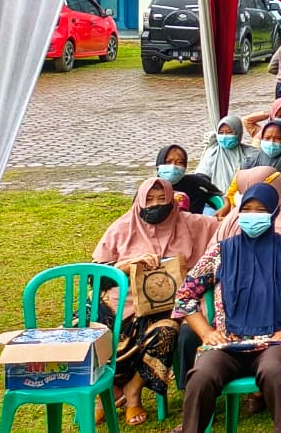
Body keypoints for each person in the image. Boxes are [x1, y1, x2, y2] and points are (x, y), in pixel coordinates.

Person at [172, 184, 281, 433]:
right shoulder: (222, 252)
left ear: (273, 214)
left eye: (261, 210)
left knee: (276, 374)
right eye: (247, 209)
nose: (253, 215)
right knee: (201, 376)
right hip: (227, 343)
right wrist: (205, 333)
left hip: (276, 343)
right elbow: (185, 296)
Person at [93, 178, 218, 426]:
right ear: (139, 202)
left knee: (167, 330)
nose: (155, 204)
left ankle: (133, 393)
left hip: (168, 305)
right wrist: (126, 267)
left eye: (162, 199)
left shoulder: (193, 225)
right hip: (122, 302)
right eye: (149, 199)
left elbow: (227, 230)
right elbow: (96, 276)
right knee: (93, 323)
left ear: (172, 202)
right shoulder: (121, 228)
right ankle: (105, 393)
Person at [195, 116, 256, 196]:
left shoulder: (252, 153)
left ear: (238, 133)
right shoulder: (212, 153)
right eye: (221, 133)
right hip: (218, 200)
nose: (224, 136)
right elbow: (201, 177)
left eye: (229, 132)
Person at [156, 145, 222, 214]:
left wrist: (225, 206)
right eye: (168, 162)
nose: (173, 166)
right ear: (159, 164)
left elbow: (220, 194)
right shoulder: (151, 188)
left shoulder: (195, 183)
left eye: (179, 162)